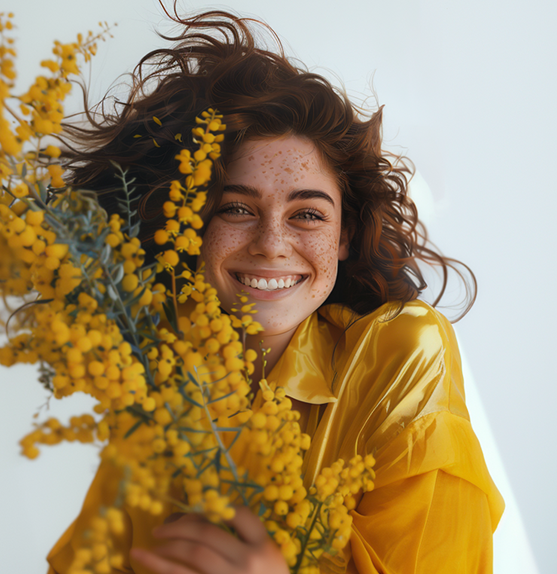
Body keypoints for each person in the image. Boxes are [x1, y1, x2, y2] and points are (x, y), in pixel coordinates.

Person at [47, 8, 504, 574]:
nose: (271, 244)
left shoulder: (405, 353)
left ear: (345, 235)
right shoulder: (164, 366)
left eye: (307, 214)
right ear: (191, 228)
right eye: (236, 208)